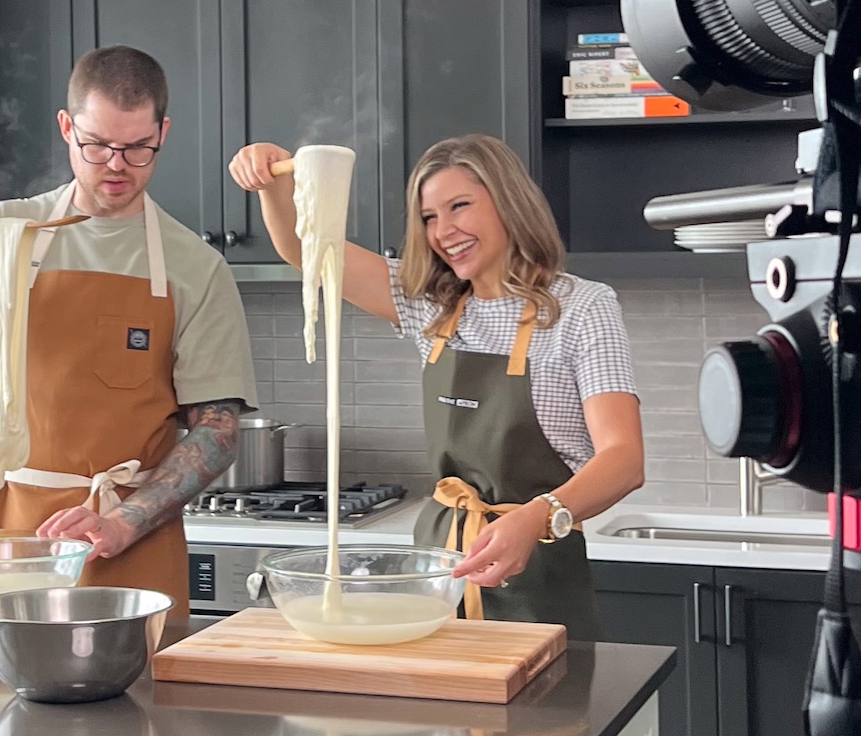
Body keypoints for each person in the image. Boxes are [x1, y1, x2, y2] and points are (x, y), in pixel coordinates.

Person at [0, 46, 259, 618]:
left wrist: (123, 522)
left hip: (129, 546)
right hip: (4, 536)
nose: (117, 164)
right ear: (66, 128)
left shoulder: (195, 267)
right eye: (97, 145)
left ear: (163, 133)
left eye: (137, 148)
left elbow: (216, 432)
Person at [228, 134, 644, 640]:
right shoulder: (431, 303)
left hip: (538, 568)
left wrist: (535, 518)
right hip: (440, 573)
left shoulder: (583, 308)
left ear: (508, 201)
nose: (444, 231)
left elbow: (623, 459)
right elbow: (307, 250)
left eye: (459, 206)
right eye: (429, 217)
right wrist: (273, 183)